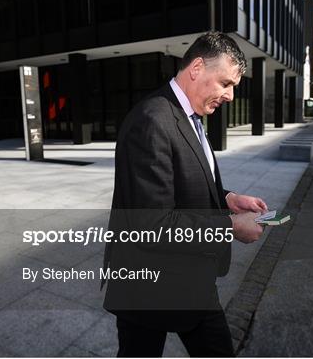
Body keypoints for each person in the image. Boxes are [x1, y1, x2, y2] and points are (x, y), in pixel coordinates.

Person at [102, 32, 268, 357]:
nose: (231, 96)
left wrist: (227, 198)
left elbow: (183, 183)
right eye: (225, 83)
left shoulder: (190, 115)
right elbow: (152, 224)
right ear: (196, 68)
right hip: (148, 288)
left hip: (189, 279)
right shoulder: (151, 121)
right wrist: (230, 226)